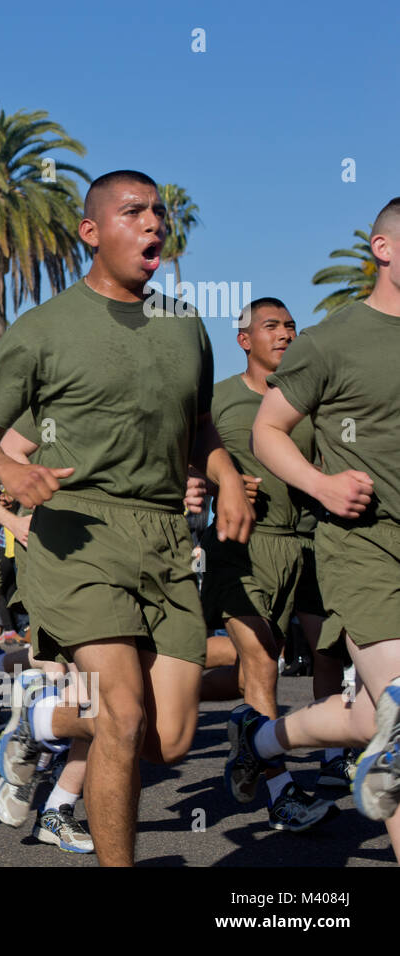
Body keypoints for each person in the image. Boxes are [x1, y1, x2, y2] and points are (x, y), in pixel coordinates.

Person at [0, 170, 254, 866]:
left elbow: (202, 427)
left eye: (159, 212)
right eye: (134, 212)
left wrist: (227, 478)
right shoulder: (43, 329)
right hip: (76, 535)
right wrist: (12, 472)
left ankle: (37, 719)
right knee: (122, 714)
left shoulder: (184, 324)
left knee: (169, 738)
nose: (154, 223)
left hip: (162, 538)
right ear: (92, 232)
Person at [234, 196, 400, 860]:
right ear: (383, 250)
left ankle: (263, 739)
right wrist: (323, 484)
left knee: (370, 718)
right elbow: (267, 429)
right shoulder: (333, 340)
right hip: (367, 546)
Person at [198, 297, 332, 830]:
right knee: (259, 662)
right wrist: (220, 479)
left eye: (291, 327)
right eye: (271, 326)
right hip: (240, 546)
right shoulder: (221, 400)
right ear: (244, 339)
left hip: (306, 544)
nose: (284, 335)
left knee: (330, 649)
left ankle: (157, 685)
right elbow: (187, 452)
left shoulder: (305, 401)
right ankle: (280, 790)